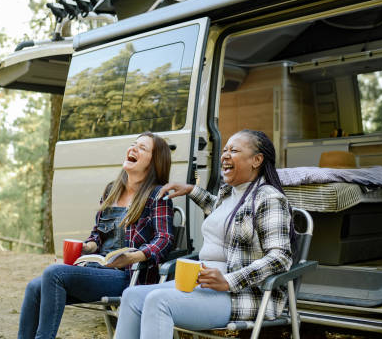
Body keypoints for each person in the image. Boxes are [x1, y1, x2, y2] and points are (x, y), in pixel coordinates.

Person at [115, 129, 293, 339]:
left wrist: (229, 281)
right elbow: (219, 211)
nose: (224, 155)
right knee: (132, 296)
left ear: (256, 160)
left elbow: (280, 257)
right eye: (224, 150)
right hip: (203, 285)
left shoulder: (269, 198)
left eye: (234, 150)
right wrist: (191, 189)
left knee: (158, 301)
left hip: (239, 295)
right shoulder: (229, 193)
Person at [17, 132, 174, 339]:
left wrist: (134, 256)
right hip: (97, 270)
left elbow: (165, 239)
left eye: (142, 148)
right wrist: (87, 248)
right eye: (133, 144)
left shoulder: (157, 195)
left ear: (154, 162)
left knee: (54, 274)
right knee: (34, 287)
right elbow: (97, 236)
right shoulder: (112, 190)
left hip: (127, 276)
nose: (133, 149)